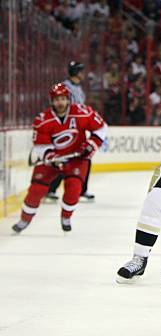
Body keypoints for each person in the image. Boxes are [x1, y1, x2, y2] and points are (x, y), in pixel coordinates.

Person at [12, 83, 107, 234]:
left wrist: (91, 145)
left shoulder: (82, 112)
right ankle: (24, 220)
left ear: (68, 99)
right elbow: (41, 145)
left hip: (77, 158)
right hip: (53, 160)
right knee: (36, 190)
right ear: (52, 101)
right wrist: (51, 157)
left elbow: (101, 128)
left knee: (74, 189)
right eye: (56, 99)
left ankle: (66, 217)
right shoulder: (43, 120)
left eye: (63, 99)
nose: (60, 102)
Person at [46, 61, 96, 203]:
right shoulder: (64, 87)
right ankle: (51, 189)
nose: (83, 73)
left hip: (77, 128)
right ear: (77, 72)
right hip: (67, 129)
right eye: (81, 71)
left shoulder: (78, 88)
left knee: (84, 157)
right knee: (68, 159)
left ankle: (81, 190)